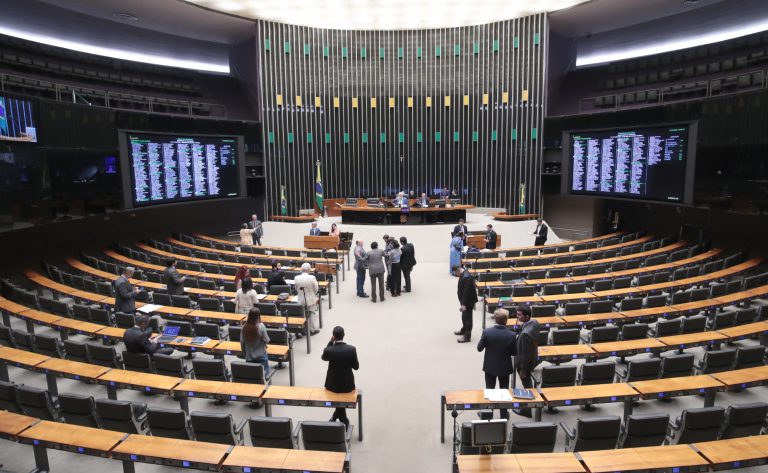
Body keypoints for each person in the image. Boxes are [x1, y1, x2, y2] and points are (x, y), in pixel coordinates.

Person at [477, 309, 516, 418]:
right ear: (506, 320)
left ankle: (488, 414)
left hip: (490, 366)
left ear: (494, 319)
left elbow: (479, 348)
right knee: (504, 391)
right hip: (505, 367)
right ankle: (503, 415)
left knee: (489, 390)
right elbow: (514, 352)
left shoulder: (487, 332)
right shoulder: (512, 335)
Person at [322, 326, 359, 428]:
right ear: (344, 335)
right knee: (341, 405)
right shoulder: (351, 349)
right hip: (347, 385)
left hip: (332, 385)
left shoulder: (329, 350)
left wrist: (330, 343)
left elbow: (324, 357)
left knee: (339, 402)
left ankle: (335, 418)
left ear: (333, 337)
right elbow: (356, 367)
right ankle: (344, 420)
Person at [513, 305, 540, 417]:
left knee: (527, 384)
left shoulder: (525, 335)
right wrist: (522, 327)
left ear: (527, 316)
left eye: (519, 315)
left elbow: (525, 354)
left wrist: (523, 369)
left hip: (524, 362)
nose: (517, 317)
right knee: (528, 383)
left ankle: (527, 410)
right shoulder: (535, 323)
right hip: (534, 356)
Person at [240, 307, 270, 376]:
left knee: (252, 377)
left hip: (249, 357)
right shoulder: (261, 326)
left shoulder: (244, 328)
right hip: (261, 357)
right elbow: (267, 340)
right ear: (258, 316)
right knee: (264, 377)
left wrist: (244, 353)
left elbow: (242, 342)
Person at [453, 264, 478, 343]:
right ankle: (463, 330)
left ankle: (467, 336)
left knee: (468, 319)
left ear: (458, 270)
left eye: (455, 273)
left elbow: (466, 292)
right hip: (464, 301)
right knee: (464, 317)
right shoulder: (463, 274)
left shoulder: (466, 277)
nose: (456, 275)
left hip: (468, 302)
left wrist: (464, 304)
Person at [294, 263, 320, 334]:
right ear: (309, 269)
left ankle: (303, 330)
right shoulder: (312, 277)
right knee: (312, 313)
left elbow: (296, 289)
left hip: (301, 299)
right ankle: (312, 330)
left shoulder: (296, 277)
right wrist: (312, 294)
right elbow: (316, 289)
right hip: (310, 298)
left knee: (302, 314)